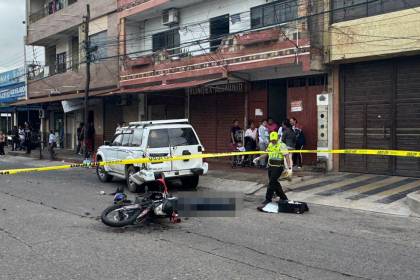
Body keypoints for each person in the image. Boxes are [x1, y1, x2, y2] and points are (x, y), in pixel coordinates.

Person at [253, 132, 290, 210]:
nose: (273, 141)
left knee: (271, 182)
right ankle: (283, 198)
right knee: (274, 182)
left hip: (278, 167)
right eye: (272, 140)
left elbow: (286, 156)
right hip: (270, 166)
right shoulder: (270, 144)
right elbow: (266, 154)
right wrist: (258, 158)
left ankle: (268, 199)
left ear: (277, 138)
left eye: (274, 140)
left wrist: (289, 168)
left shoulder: (282, 145)